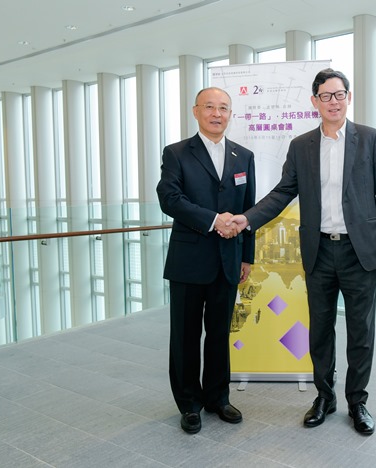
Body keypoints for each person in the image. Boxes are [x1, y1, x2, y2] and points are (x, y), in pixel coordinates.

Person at [227, 68, 376, 435]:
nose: (333, 102)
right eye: (326, 96)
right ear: (314, 102)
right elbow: (281, 192)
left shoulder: (369, 139)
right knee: (320, 329)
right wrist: (247, 218)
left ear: (348, 98)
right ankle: (324, 396)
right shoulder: (301, 145)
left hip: (360, 252)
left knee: (361, 332)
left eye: (339, 95)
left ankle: (357, 401)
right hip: (319, 250)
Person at [156, 87, 256, 434]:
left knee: (218, 334)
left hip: (228, 260)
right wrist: (214, 220)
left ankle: (217, 398)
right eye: (210, 107)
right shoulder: (177, 153)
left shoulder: (243, 155)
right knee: (185, 335)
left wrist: (247, 257)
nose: (217, 113)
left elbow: (248, 210)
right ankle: (189, 403)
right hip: (189, 260)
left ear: (231, 114)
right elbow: (169, 198)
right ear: (196, 111)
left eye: (224, 108)